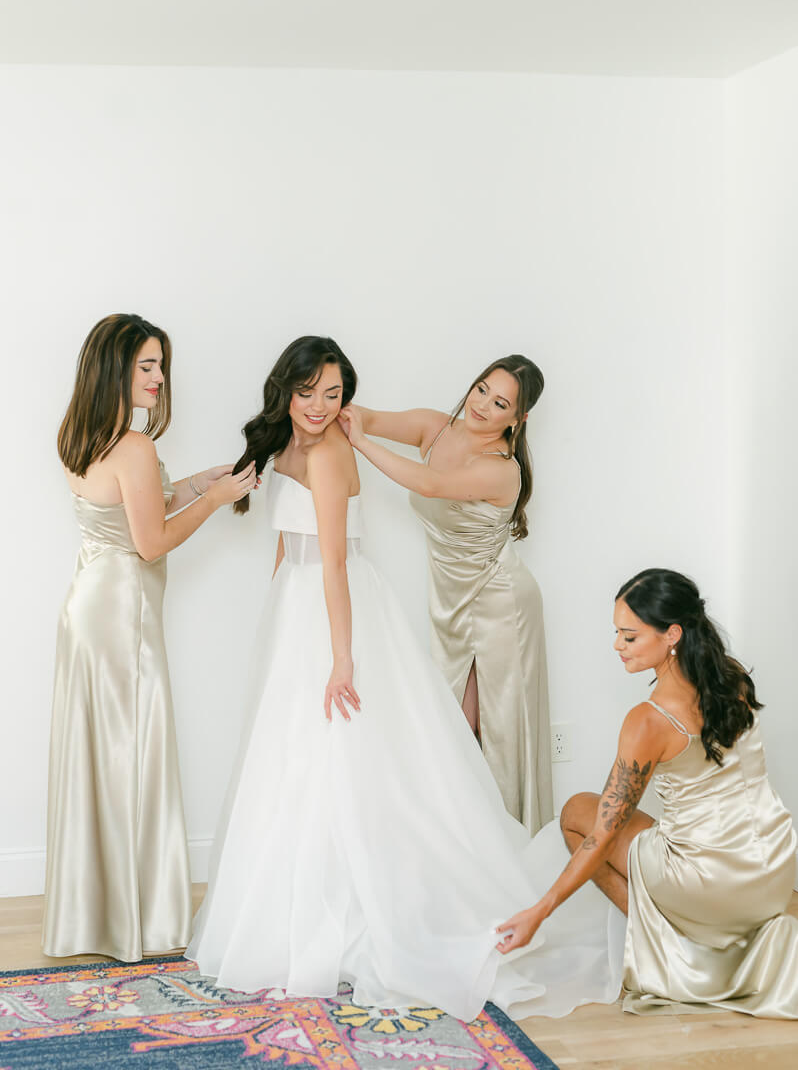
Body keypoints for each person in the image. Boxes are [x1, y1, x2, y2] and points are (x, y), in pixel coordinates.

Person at [187, 336, 619, 1022]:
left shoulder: (342, 454)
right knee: (300, 758)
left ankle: (444, 892)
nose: (320, 407)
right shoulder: (305, 442)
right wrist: (276, 612)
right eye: (309, 393)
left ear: (517, 419)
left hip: (408, 606)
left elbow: (336, 558)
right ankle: (302, 899)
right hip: (315, 606)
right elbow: (293, 540)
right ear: (287, 389)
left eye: (333, 395)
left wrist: (342, 657)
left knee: (391, 756)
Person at [44, 313, 256, 962]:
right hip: (122, 613)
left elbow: (143, 504)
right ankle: (140, 918)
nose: (160, 378)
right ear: (116, 369)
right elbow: (153, 539)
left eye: (161, 365)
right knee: (133, 753)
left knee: (99, 756)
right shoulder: (134, 447)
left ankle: (94, 915)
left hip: (88, 602)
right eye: (147, 366)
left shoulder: (85, 437)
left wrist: (203, 481)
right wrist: (216, 501)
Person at [497, 568, 798, 1019]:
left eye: (630, 637)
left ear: (672, 634)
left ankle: (677, 950)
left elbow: (602, 834)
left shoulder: (649, 719)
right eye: (617, 634)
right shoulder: (731, 679)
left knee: (577, 812)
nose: (617, 646)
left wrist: (539, 912)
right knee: (629, 821)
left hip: (712, 883)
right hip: (774, 870)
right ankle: (695, 932)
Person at [337, 356, 552, 834]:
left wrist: (362, 444)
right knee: (450, 728)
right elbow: (366, 416)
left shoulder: (502, 469)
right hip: (453, 603)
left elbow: (430, 483)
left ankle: (499, 848)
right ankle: (460, 848)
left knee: (479, 733)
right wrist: (332, 407)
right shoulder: (434, 428)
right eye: (481, 390)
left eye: (500, 404)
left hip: (500, 605)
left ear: (517, 420)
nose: (482, 406)